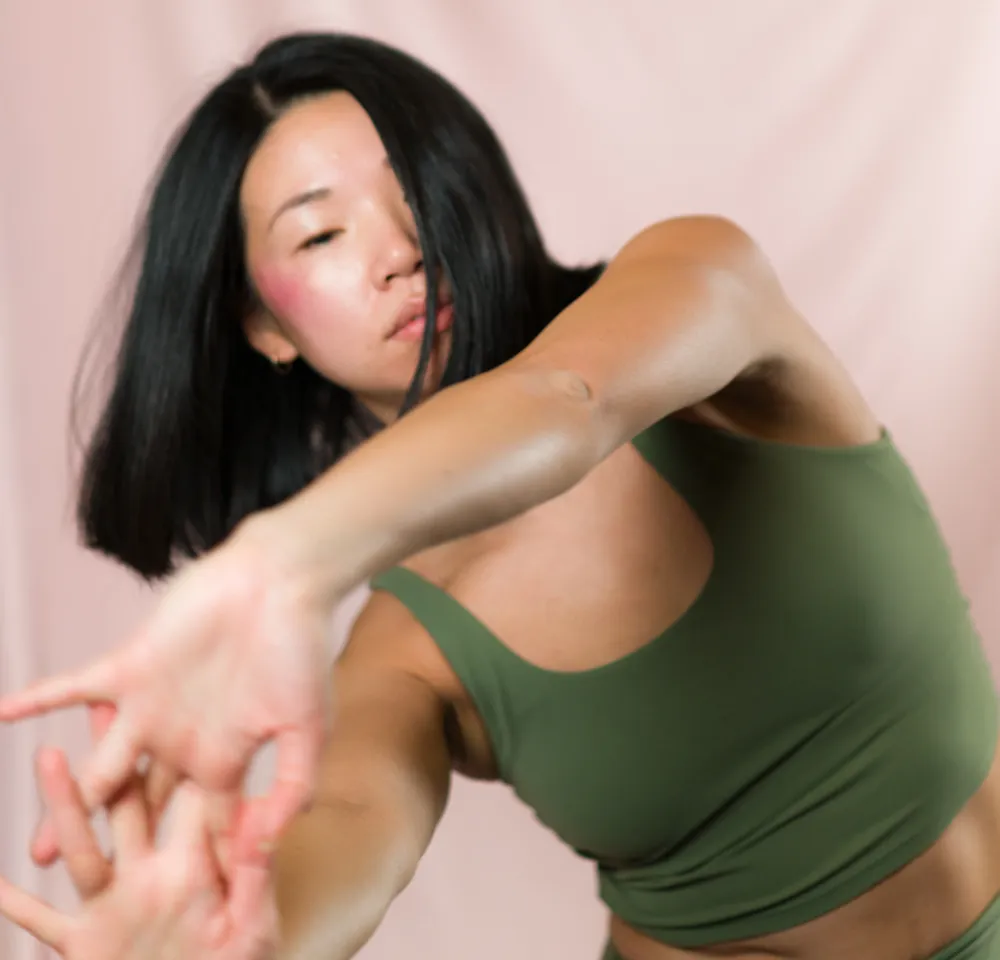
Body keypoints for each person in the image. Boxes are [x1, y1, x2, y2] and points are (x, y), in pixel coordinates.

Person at [0, 29, 997, 960]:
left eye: (413, 186)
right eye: (320, 236)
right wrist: (239, 943)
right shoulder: (403, 645)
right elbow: (348, 825)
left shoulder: (698, 286)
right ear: (263, 326)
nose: (399, 249)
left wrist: (281, 558)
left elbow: (565, 400)